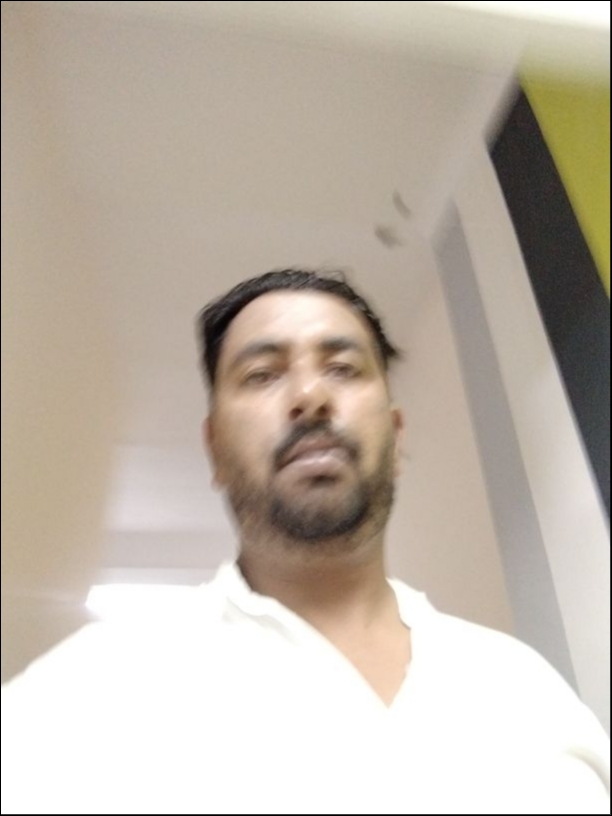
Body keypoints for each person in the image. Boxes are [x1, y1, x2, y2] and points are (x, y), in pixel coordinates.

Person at [1, 269, 609, 814]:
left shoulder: (523, 687)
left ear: (396, 436)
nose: (310, 397)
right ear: (214, 450)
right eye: (262, 375)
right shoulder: (90, 690)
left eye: (342, 368)